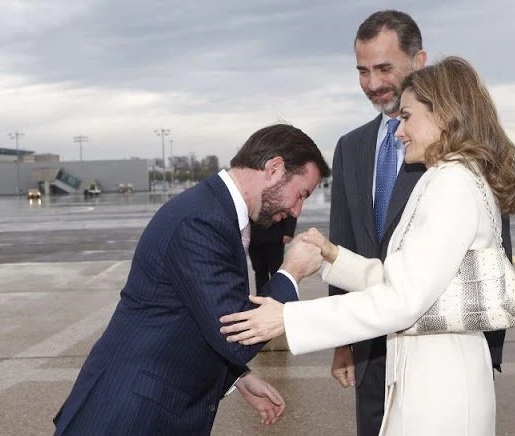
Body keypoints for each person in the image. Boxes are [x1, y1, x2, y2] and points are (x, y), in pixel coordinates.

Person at [220, 57, 515, 435]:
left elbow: (403, 300)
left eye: (408, 117)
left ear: (444, 116)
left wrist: (288, 319)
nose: (399, 131)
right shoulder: (445, 178)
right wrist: (336, 257)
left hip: (440, 394)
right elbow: (404, 278)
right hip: (429, 379)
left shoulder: (452, 186)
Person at [306, 10, 512, 436]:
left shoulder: (454, 169)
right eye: (362, 70)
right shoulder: (352, 147)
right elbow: (349, 237)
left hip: (436, 348)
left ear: (420, 62)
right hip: (372, 349)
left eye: (384, 67)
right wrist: (344, 343)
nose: (372, 82)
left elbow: (492, 261)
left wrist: (482, 351)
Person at [52, 124, 330, 435]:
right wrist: (292, 271)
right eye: (301, 194)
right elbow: (236, 333)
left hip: (145, 407)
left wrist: (235, 376)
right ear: (274, 168)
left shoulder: (215, 210)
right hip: (131, 415)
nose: (297, 209)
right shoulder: (202, 220)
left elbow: (200, 314)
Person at [248, 216, 298, 292]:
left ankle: (278, 296)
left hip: (275, 235)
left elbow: (290, 209)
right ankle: (262, 297)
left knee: (276, 270)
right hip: (253, 236)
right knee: (259, 271)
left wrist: (289, 232)